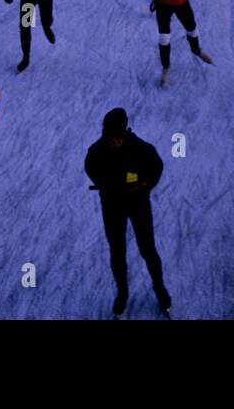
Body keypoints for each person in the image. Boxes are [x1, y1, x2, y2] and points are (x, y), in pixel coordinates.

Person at [84, 108, 171, 317]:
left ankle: (159, 287)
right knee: (117, 251)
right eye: (110, 139)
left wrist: (145, 185)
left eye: (118, 138)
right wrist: (105, 184)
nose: (115, 143)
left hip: (138, 204)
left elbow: (157, 166)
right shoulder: (96, 151)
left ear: (125, 133)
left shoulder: (142, 149)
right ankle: (122, 293)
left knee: (148, 249)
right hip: (112, 206)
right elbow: (90, 168)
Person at [144, 0, 213, 86]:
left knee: (193, 30)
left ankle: (196, 49)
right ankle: (166, 67)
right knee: (164, 39)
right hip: (163, 7)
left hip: (182, 5)